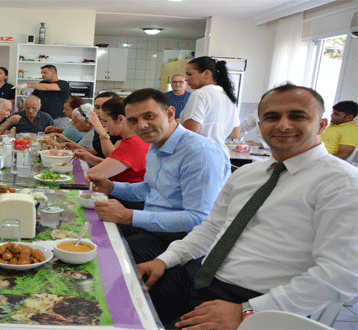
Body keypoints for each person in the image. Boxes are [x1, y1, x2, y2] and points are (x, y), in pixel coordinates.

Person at [138, 84, 358, 330]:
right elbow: (211, 228)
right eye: (272, 117)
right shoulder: (248, 174)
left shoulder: (343, 183)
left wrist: (250, 311)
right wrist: (165, 260)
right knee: (119, 299)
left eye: (297, 116)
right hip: (200, 276)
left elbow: (340, 274)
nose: (283, 125)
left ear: (321, 125)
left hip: (254, 298)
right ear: (261, 125)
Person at [87, 89, 230, 264]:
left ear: (170, 113)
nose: (142, 126)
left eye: (149, 116)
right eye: (133, 120)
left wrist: (128, 215)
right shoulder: (155, 146)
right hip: (150, 227)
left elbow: (198, 217)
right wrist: (111, 187)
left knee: (100, 257)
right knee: (91, 231)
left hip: (179, 241)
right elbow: (149, 188)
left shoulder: (200, 152)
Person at [79, 97, 150, 210]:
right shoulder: (129, 139)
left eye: (105, 121)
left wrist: (102, 134)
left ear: (121, 119)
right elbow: (119, 166)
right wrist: (91, 159)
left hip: (129, 204)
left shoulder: (132, 144)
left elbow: (94, 174)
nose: (104, 125)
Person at [179, 56, 240, 157]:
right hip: (221, 155)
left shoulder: (200, 94)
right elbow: (234, 133)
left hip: (201, 155)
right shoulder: (228, 96)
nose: (186, 79)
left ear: (207, 74)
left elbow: (191, 131)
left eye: (189, 74)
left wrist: (173, 126)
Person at [91, 91, 122, 159]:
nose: (100, 111)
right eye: (97, 107)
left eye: (105, 107)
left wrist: (102, 134)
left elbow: (113, 159)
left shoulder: (121, 131)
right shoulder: (99, 124)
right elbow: (98, 152)